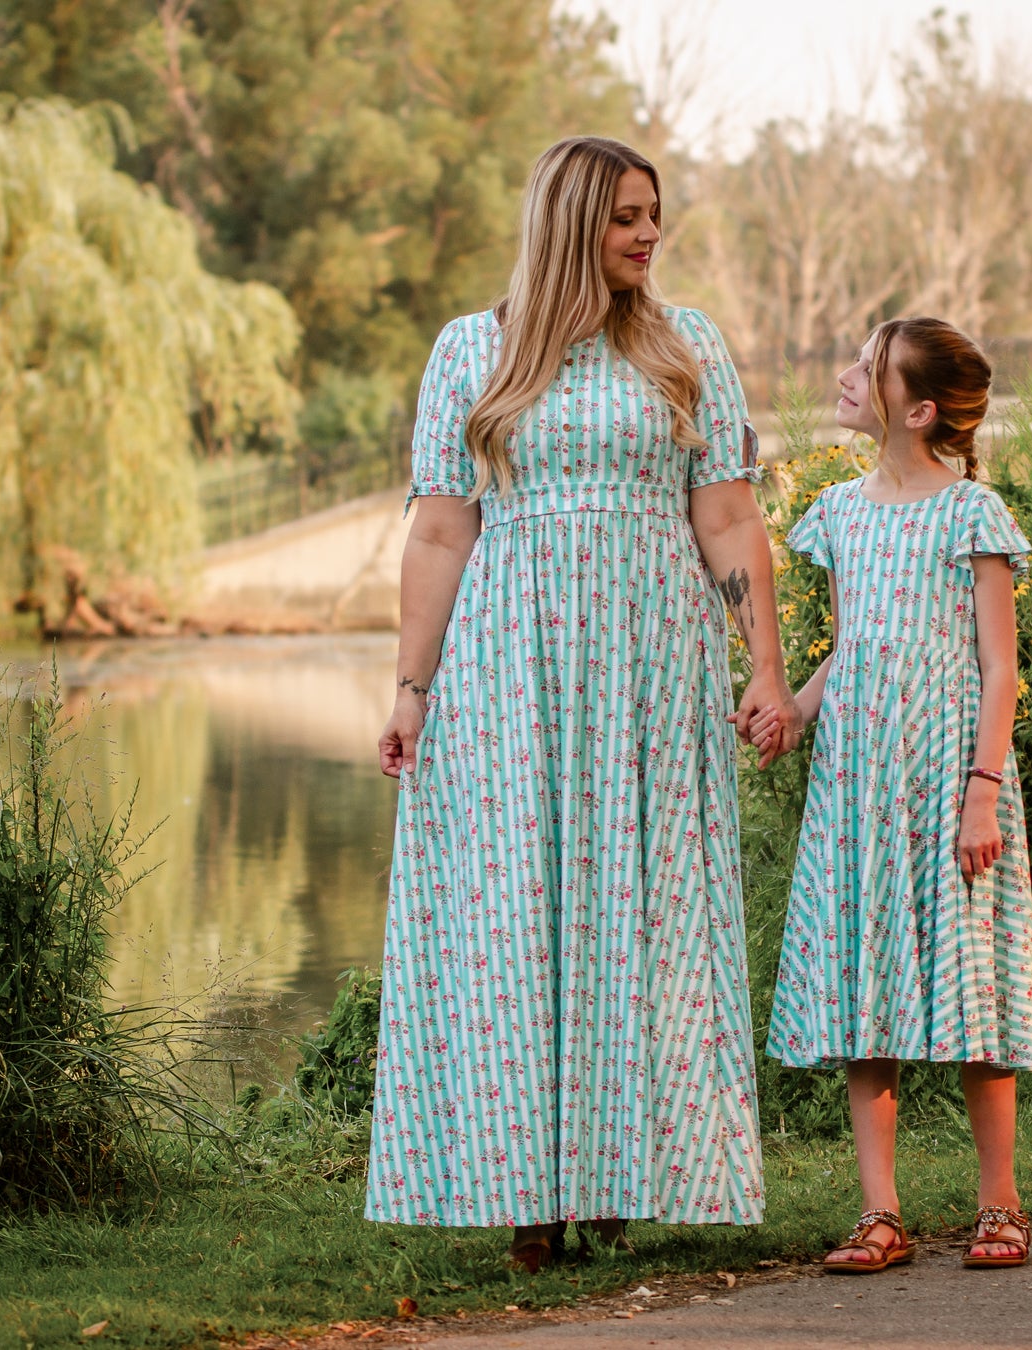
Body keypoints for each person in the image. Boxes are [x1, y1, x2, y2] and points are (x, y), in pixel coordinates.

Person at [369, 135, 794, 1271]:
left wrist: (761, 662)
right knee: (517, 912)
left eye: (654, 214)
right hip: (511, 671)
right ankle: (527, 1193)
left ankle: (624, 1171)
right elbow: (441, 531)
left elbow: (726, 518)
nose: (649, 235)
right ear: (568, 225)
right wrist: (410, 692)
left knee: (644, 913)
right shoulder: (473, 351)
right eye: (625, 219)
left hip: (653, 662)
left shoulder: (684, 343)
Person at [749, 317, 1032, 1273]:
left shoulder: (972, 516)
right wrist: (794, 712)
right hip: (861, 786)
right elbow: (853, 648)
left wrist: (982, 793)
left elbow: (999, 669)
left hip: (952, 782)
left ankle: (999, 1205)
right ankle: (880, 1214)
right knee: (865, 992)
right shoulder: (839, 513)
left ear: (916, 411)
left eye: (868, 368)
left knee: (973, 990)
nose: (846, 377)